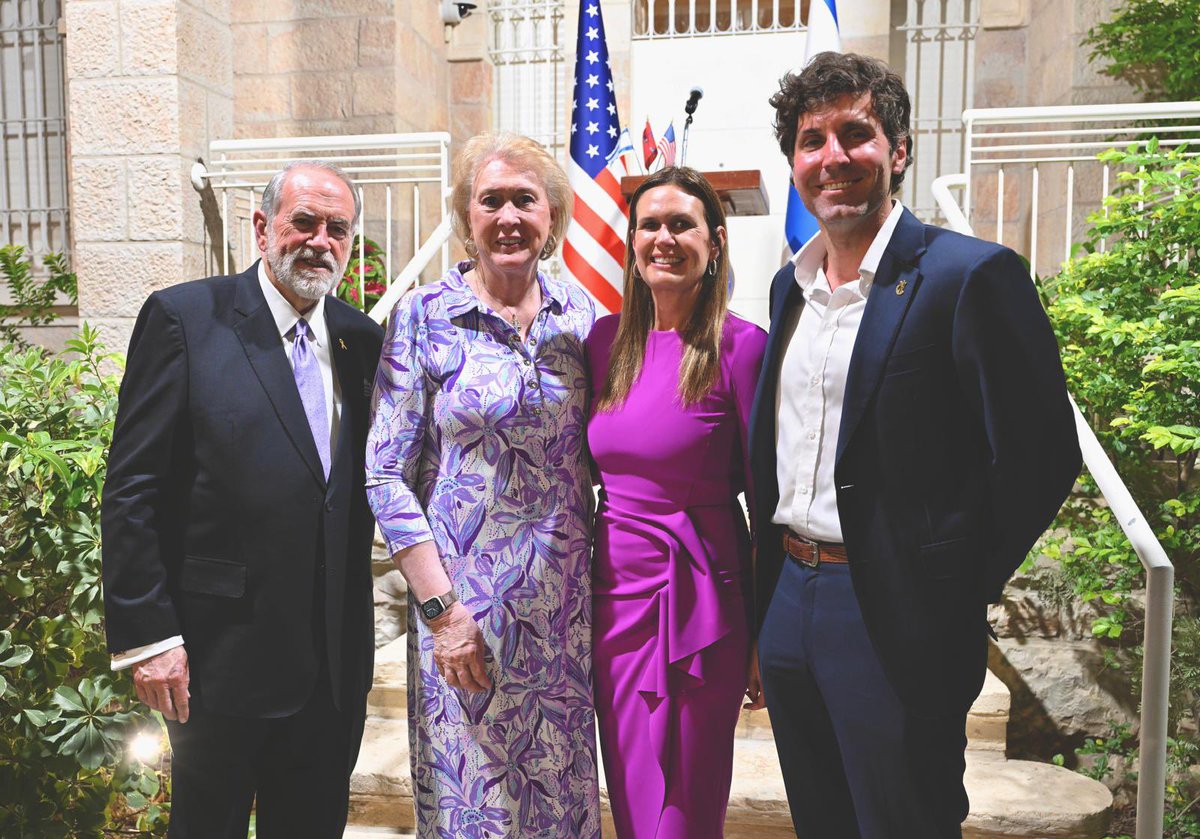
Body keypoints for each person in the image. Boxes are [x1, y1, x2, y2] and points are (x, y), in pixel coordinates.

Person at [748, 52, 1082, 838]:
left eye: (855, 134)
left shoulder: (970, 275)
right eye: (812, 139)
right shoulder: (786, 289)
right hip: (792, 595)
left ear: (898, 151)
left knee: (905, 821)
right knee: (820, 820)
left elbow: (1040, 458)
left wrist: (949, 579)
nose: (832, 157)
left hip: (896, 611)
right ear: (794, 161)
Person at [101, 161, 383, 837]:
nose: (320, 240)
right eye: (303, 222)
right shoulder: (184, 319)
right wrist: (150, 636)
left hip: (331, 672)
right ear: (262, 228)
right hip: (217, 662)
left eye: (337, 228)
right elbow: (133, 486)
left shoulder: (361, 339)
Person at [366, 132, 600, 838]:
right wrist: (443, 611)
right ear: (468, 217)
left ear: (551, 217)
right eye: (490, 199)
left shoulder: (581, 318)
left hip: (562, 622)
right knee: (477, 814)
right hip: (465, 623)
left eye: (524, 200)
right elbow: (383, 472)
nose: (508, 216)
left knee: (560, 804)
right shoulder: (424, 316)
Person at [585, 166, 768, 839]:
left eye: (682, 224)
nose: (664, 237)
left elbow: (767, 499)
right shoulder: (604, 344)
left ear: (714, 242)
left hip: (700, 605)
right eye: (650, 225)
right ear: (631, 241)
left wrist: (759, 630)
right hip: (614, 603)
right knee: (633, 801)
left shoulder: (742, 347)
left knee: (683, 812)